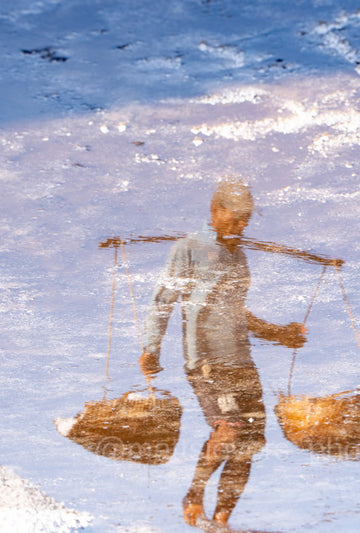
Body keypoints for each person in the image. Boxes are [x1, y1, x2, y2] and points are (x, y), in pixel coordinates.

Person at [139, 180, 306, 527]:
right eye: (236, 217)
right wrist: (151, 348)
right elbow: (162, 301)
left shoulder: (239, 256)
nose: (242, 225)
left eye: (247, 219)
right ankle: (194, 495)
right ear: (215, 211)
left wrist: (278, 333)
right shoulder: (188, 248)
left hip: (242, 360)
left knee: (252, 442)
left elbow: (237, 313)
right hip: (207, 361)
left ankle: (222, 520)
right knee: (229, 431)